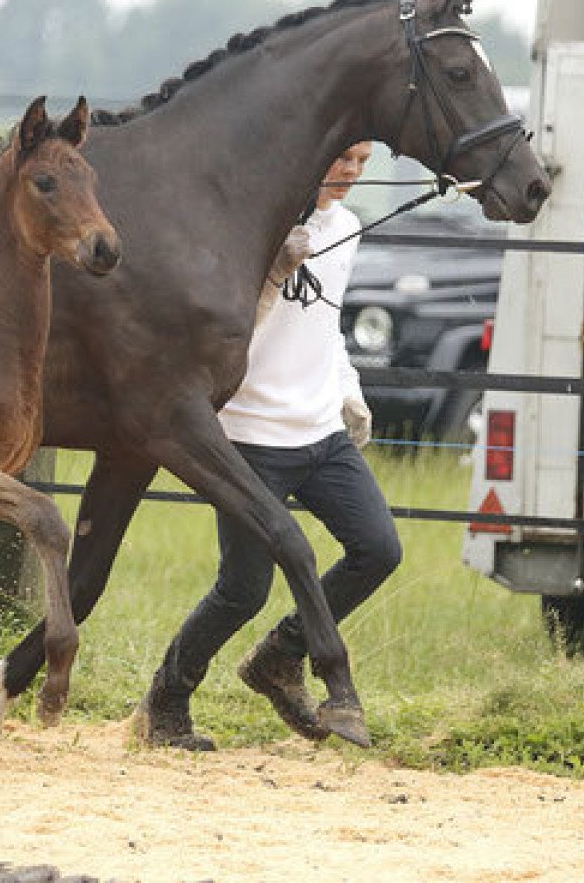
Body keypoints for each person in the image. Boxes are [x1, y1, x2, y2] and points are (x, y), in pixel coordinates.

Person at [136, 141, 403, 750]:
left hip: (320, 431)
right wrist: (274, 272)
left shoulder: (349, 228)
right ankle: (167, 700)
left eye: (362, 161)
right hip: (249, 437)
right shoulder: (250, 223)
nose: (350, 172)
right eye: (340, 156)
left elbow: (325, 322)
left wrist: (346, 391)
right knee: (242, 590)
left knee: (378, 549)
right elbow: (223, 327)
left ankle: (281, 655)